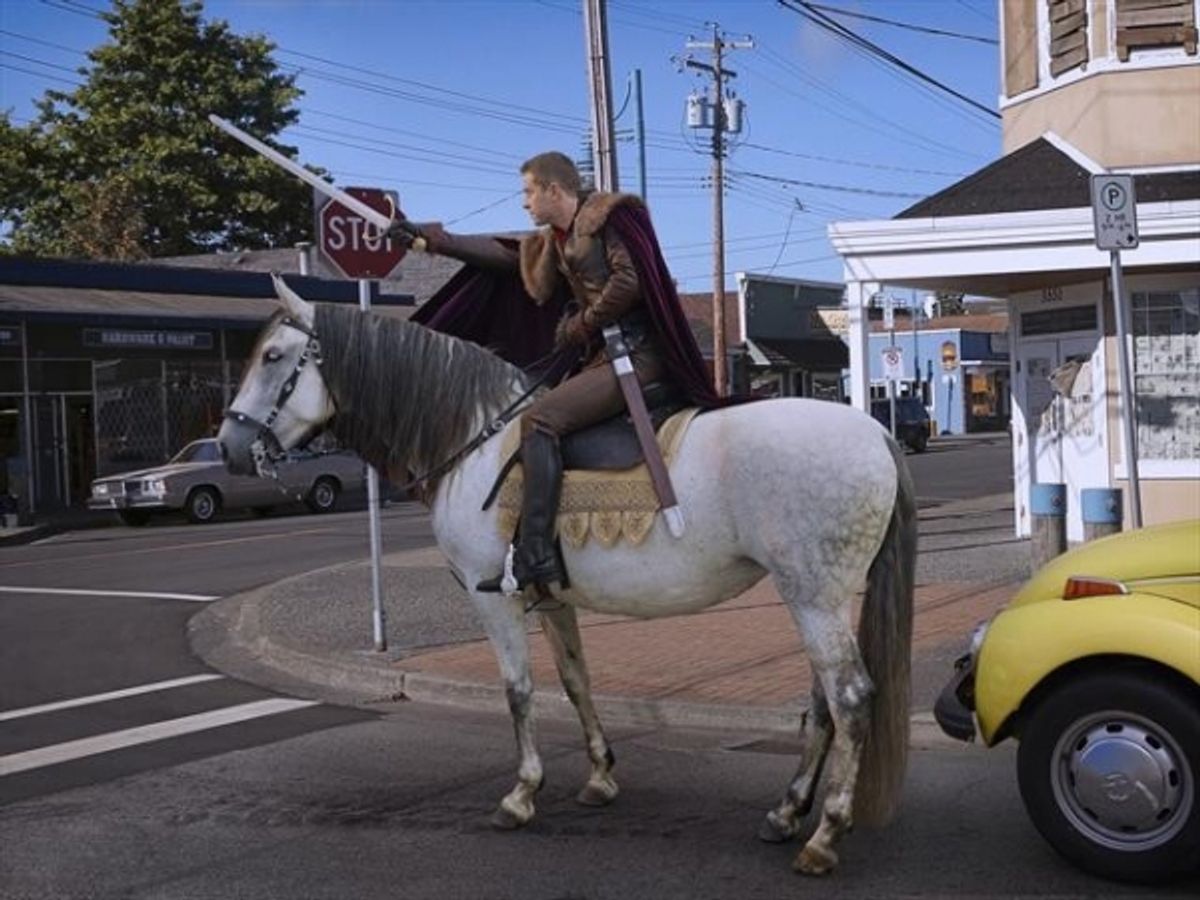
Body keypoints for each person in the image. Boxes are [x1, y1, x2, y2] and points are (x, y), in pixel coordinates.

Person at [417, 151, 721, 594]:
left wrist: (583, 322)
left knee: (538, 421)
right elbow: (508, 259)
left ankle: (535, 555)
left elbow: (629, 279)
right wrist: (438, 240)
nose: (524, 203)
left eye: (528, 192)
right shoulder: (556, 241)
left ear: (553, 190)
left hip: (638, 354)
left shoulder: (611, 218)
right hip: (606, 356)